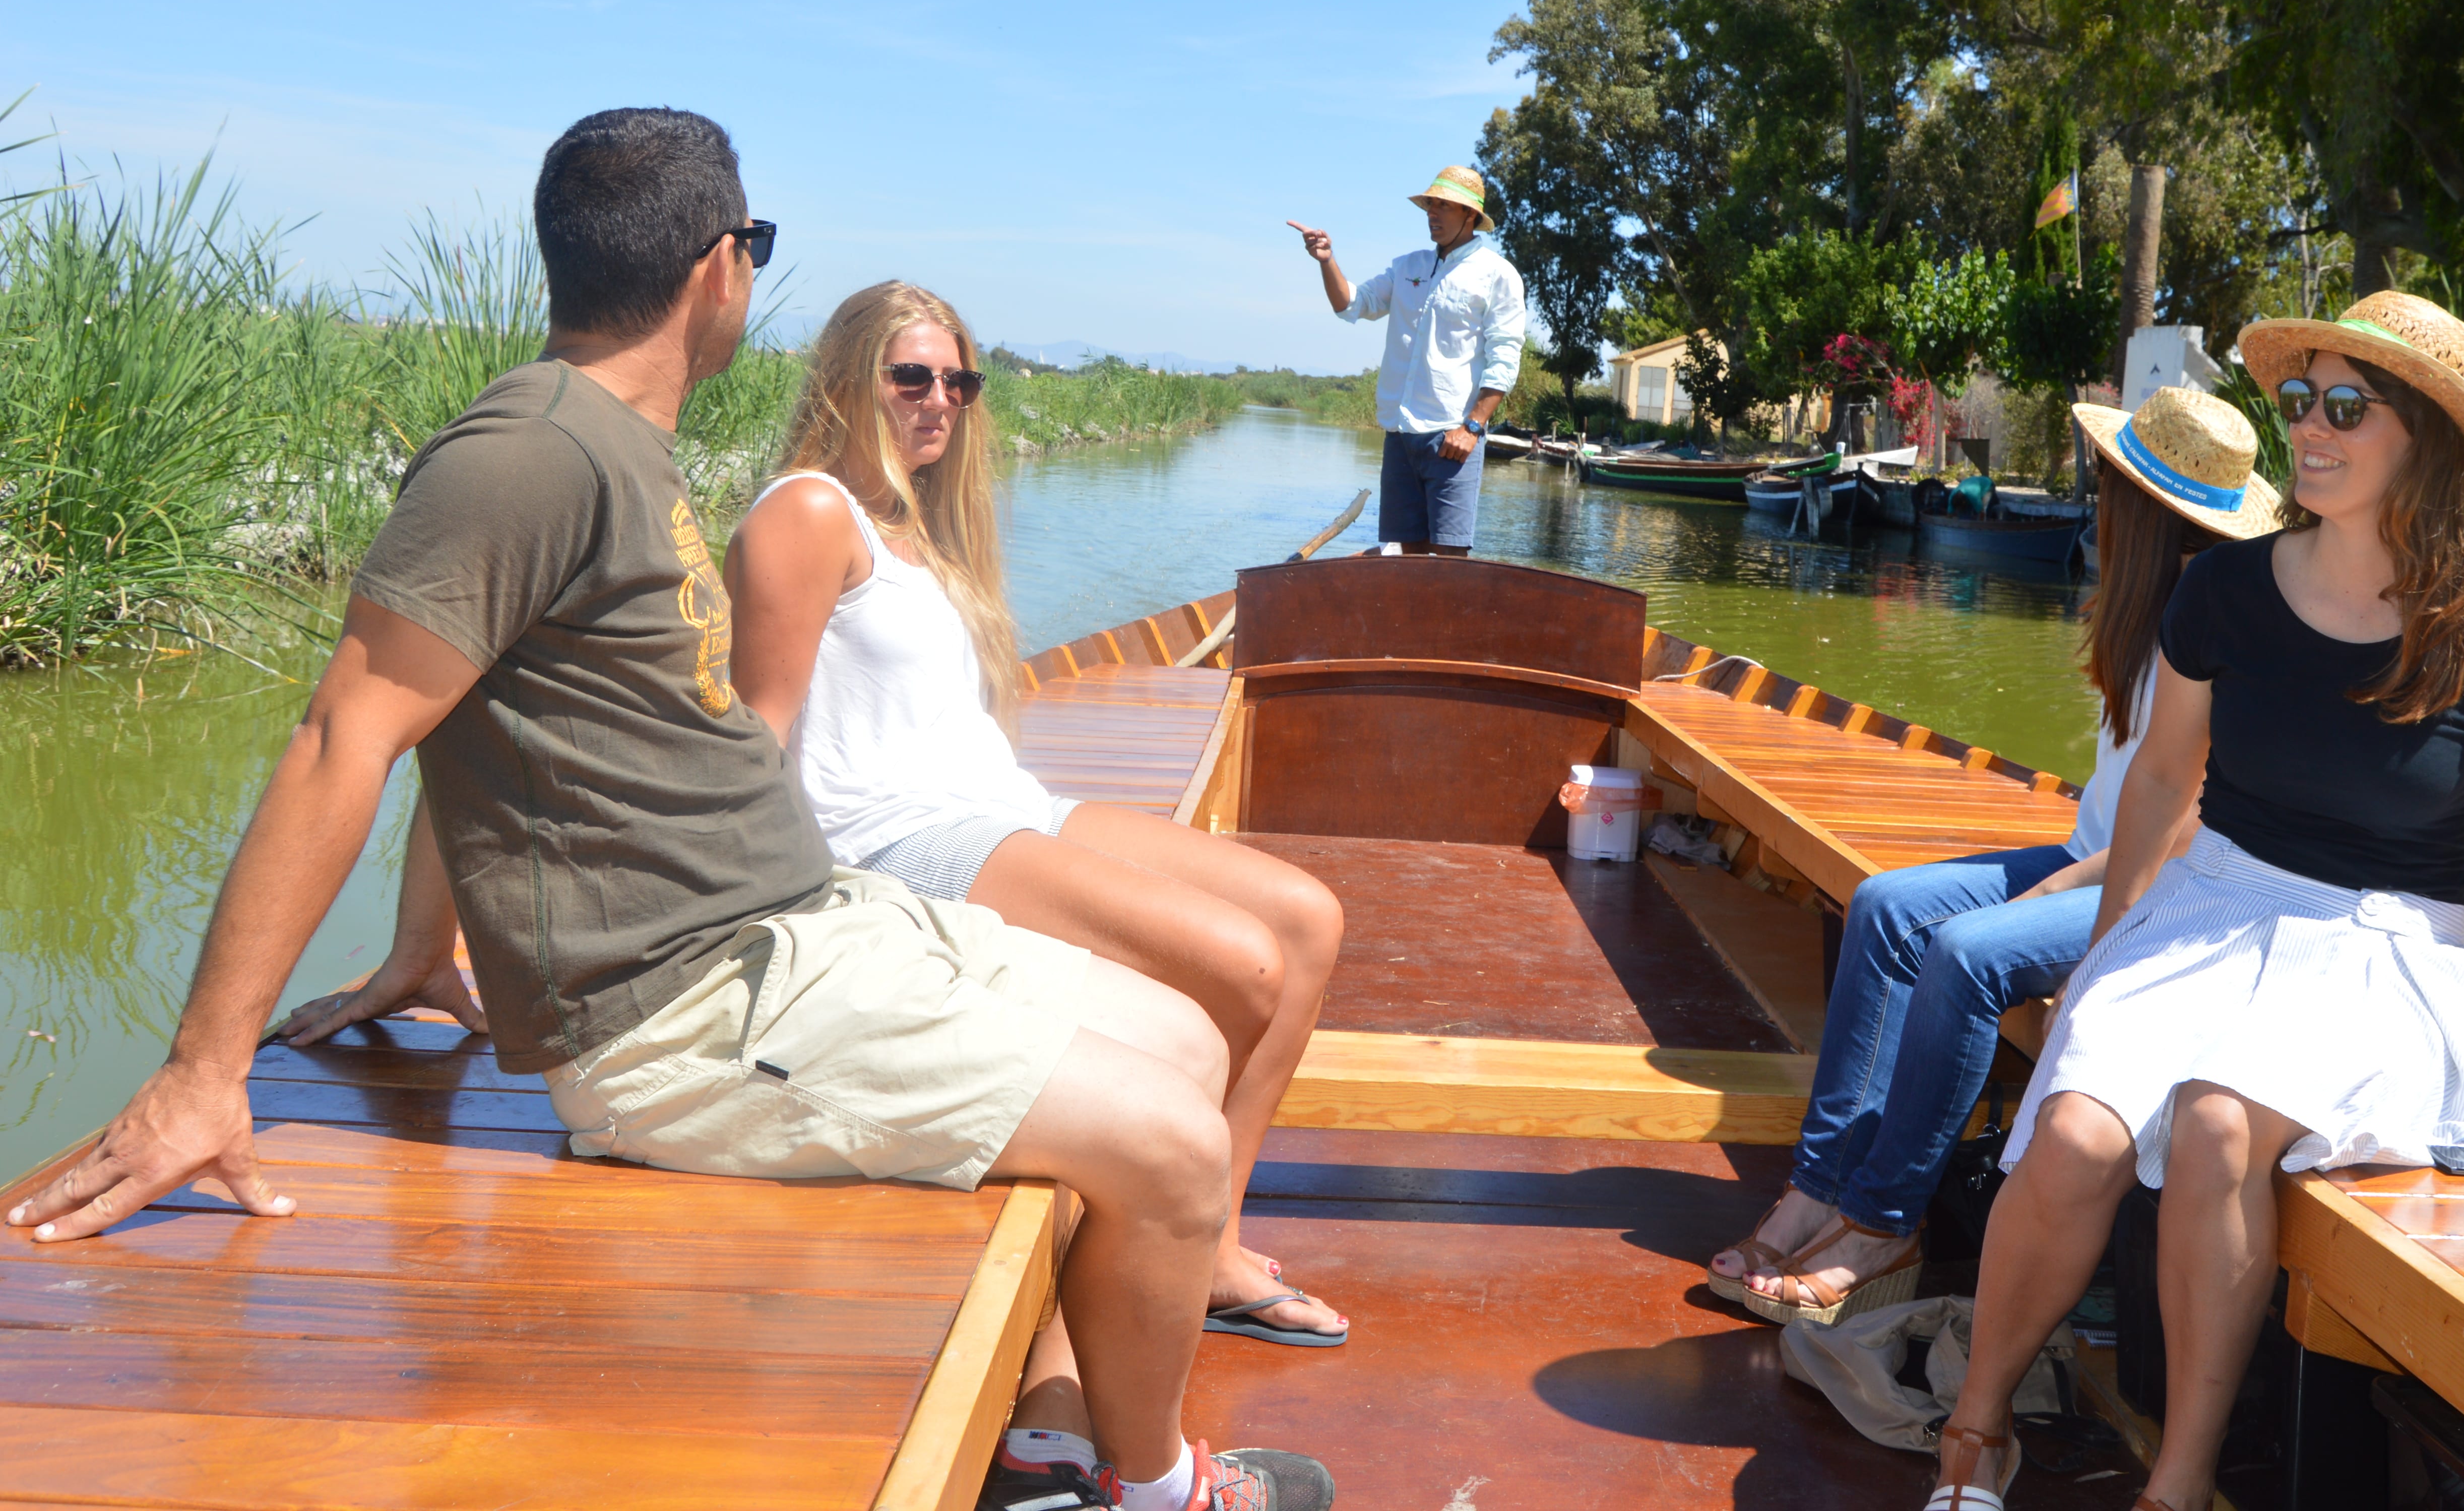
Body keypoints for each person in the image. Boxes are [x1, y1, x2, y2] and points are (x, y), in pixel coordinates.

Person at [6, 109, 1331, 1511]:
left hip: (798, 933)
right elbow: (352, 731)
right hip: (683, 1013)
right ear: (721, 269)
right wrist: (205, 1074)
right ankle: (1163, 1485)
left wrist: (415, 952)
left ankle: (1063, 1436)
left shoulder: (623, 450)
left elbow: (471, 717)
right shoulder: (527, 454)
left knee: (1190, 1037)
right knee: (1178, 1147)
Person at [1923, 293, 2464, 1511]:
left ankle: (2176, 1481)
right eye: (2297, 400)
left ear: (2420, 436)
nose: (2307, 430)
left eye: (2343, 405)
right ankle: (1974, 1433)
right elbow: (2164, 777)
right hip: (2209, 908)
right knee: (2071, 1130)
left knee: (2221, 1126)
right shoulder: (2223, 592)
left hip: (2383, 949)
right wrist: (2103, 964)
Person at [725, 279, 1350, 1345]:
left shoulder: (919, 522)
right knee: (1242, 963)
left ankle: (1210, 1239)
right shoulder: (810, 507)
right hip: (899, 840)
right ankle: (1136, 1277)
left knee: (1304, 919)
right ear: (846, 378)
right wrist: (754, 921)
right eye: (910, 375)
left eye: (958, 382)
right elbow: (755, 729)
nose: (938, 400)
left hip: (1000, 804)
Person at [1718, 386, 2282, 1325]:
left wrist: (2069, 882)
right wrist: (2070, 864)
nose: (2094, 496)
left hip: (2169, 889)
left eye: (2108, 483)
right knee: (1887, 907)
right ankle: (1817, 1187)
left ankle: (1882, 1221)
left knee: (1968, 954)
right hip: (2095, 853)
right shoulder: (2147, 602)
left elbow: (2192, 821)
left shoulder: (2229, 622)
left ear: (2138, 505)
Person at [1288, 162, 1524, 556]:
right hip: (1400, 436)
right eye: (1430, 205)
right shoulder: (1407, 267)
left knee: (1449, 560)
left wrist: (1473, 427)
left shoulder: (1497, 275)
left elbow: (1505, 357)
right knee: (1408, 561)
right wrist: (1326, 261)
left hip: (1452, 439)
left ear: (1470, 215)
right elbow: (1351, 304)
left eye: (1444, 207)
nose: (1433, 214)